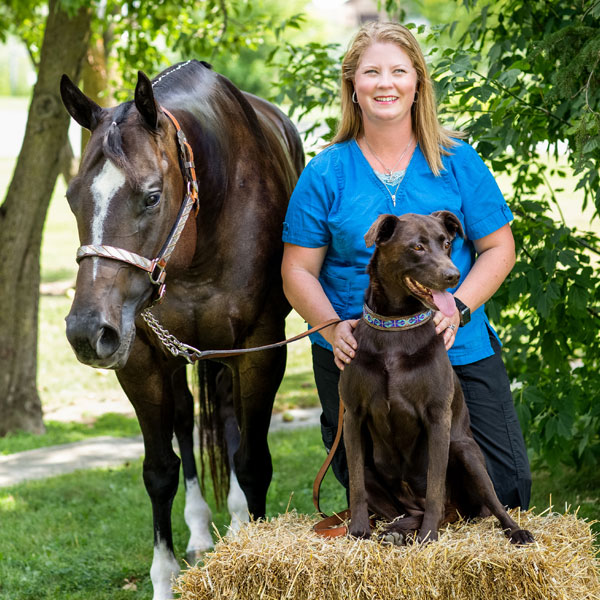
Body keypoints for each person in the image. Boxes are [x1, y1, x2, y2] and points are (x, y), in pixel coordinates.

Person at [281, 21, 531, 510]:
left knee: (505, 491)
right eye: (371, 72)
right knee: (382, 495)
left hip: (452, 347)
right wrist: (332, 329)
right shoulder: (325, 172)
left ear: (418, 82)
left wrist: (457, 306)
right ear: (353, 86)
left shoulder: (457, 160)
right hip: (360, 352)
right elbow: (297, 270)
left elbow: (500, 249)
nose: (385, 83)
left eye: (399, 70)